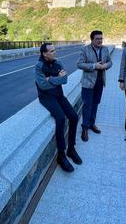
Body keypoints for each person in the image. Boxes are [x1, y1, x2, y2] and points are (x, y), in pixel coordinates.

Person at [35, 43, 82, 172]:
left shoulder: (58, 62)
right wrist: (57, 79)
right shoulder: (39, 67)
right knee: (60, 118)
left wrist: (51, 79)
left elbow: (65, 80)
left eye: (54, 50)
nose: (55, 52)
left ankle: (71, 149)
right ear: (44, 53)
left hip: (59, 96)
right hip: (46, 97)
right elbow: (43, 86)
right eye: (52, 51)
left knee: (74, 117)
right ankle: (61, 155)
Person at [77, 30, 113, 142]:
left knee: (96, 104)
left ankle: (92, 124)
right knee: (87, 105)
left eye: (101, 39)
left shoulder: (105, 49)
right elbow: (79, 64)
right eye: (97, 39)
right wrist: (94, 66)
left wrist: (106, 65)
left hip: (100, 82)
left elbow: (110, 62)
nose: (100, 41)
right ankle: (84, 128)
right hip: (88, 83)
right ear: (92, 39)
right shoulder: (85, 49)